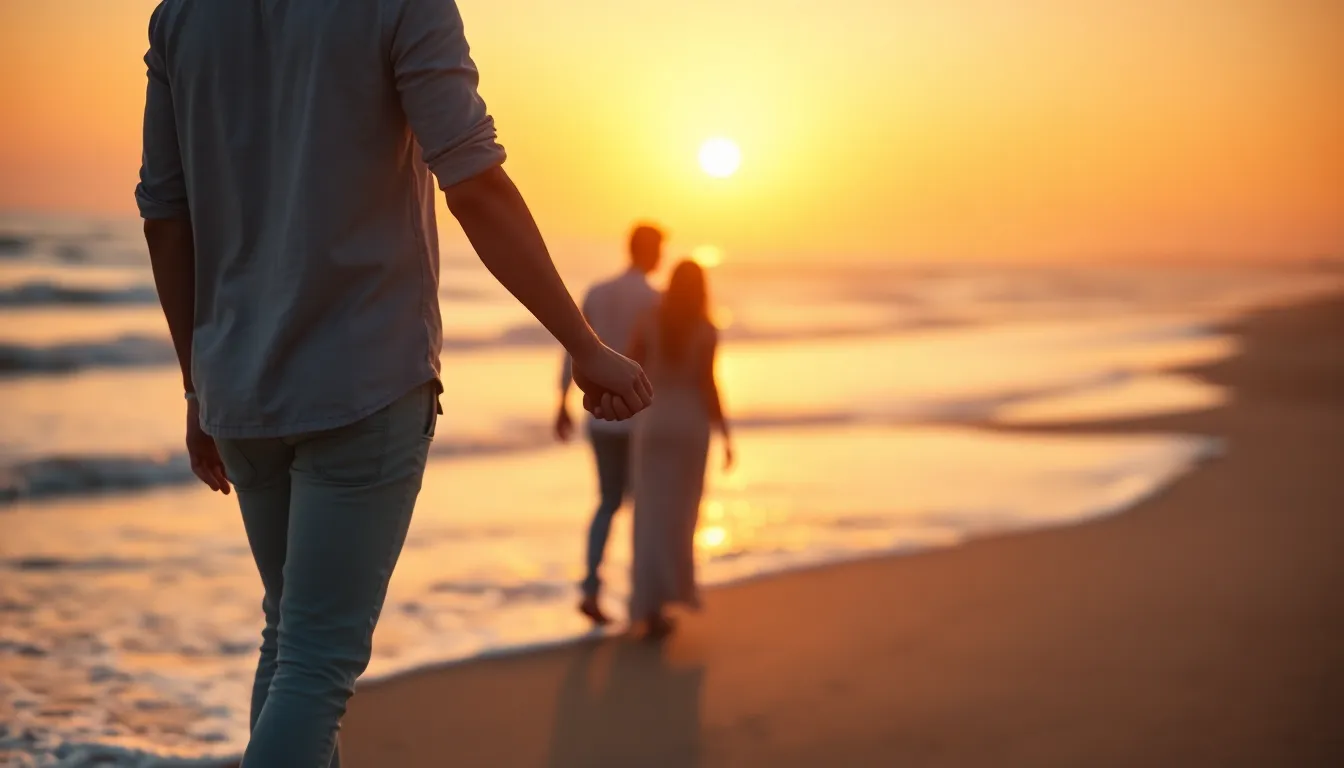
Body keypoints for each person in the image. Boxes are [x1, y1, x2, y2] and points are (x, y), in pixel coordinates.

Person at [135, 1, 651, 766]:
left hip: (238, 388)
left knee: (291, 641)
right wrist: (582, 343)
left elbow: (164, 217)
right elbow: (472, 179)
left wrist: (196, 385)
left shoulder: (180, 17)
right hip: (363, 377)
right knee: (312, 667)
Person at [555, 224, 663, 626]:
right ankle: (643, 599)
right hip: (641, 417)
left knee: (607, 500)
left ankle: (590, 587)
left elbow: (574, 348)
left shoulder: (598, 292)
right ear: (649, 251)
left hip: (597, 414)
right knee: (641, 507)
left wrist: (561, 401)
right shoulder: (655, 300)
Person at [627, 260, 733, 638]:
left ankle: (646, 605)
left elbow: (629, 364)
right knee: (681, 517)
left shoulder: (650, 319)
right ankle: (671, 594)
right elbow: (709, 385)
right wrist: (726, 435)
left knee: (649, 514)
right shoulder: (706, 329)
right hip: (690, 422)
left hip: (654, 421)